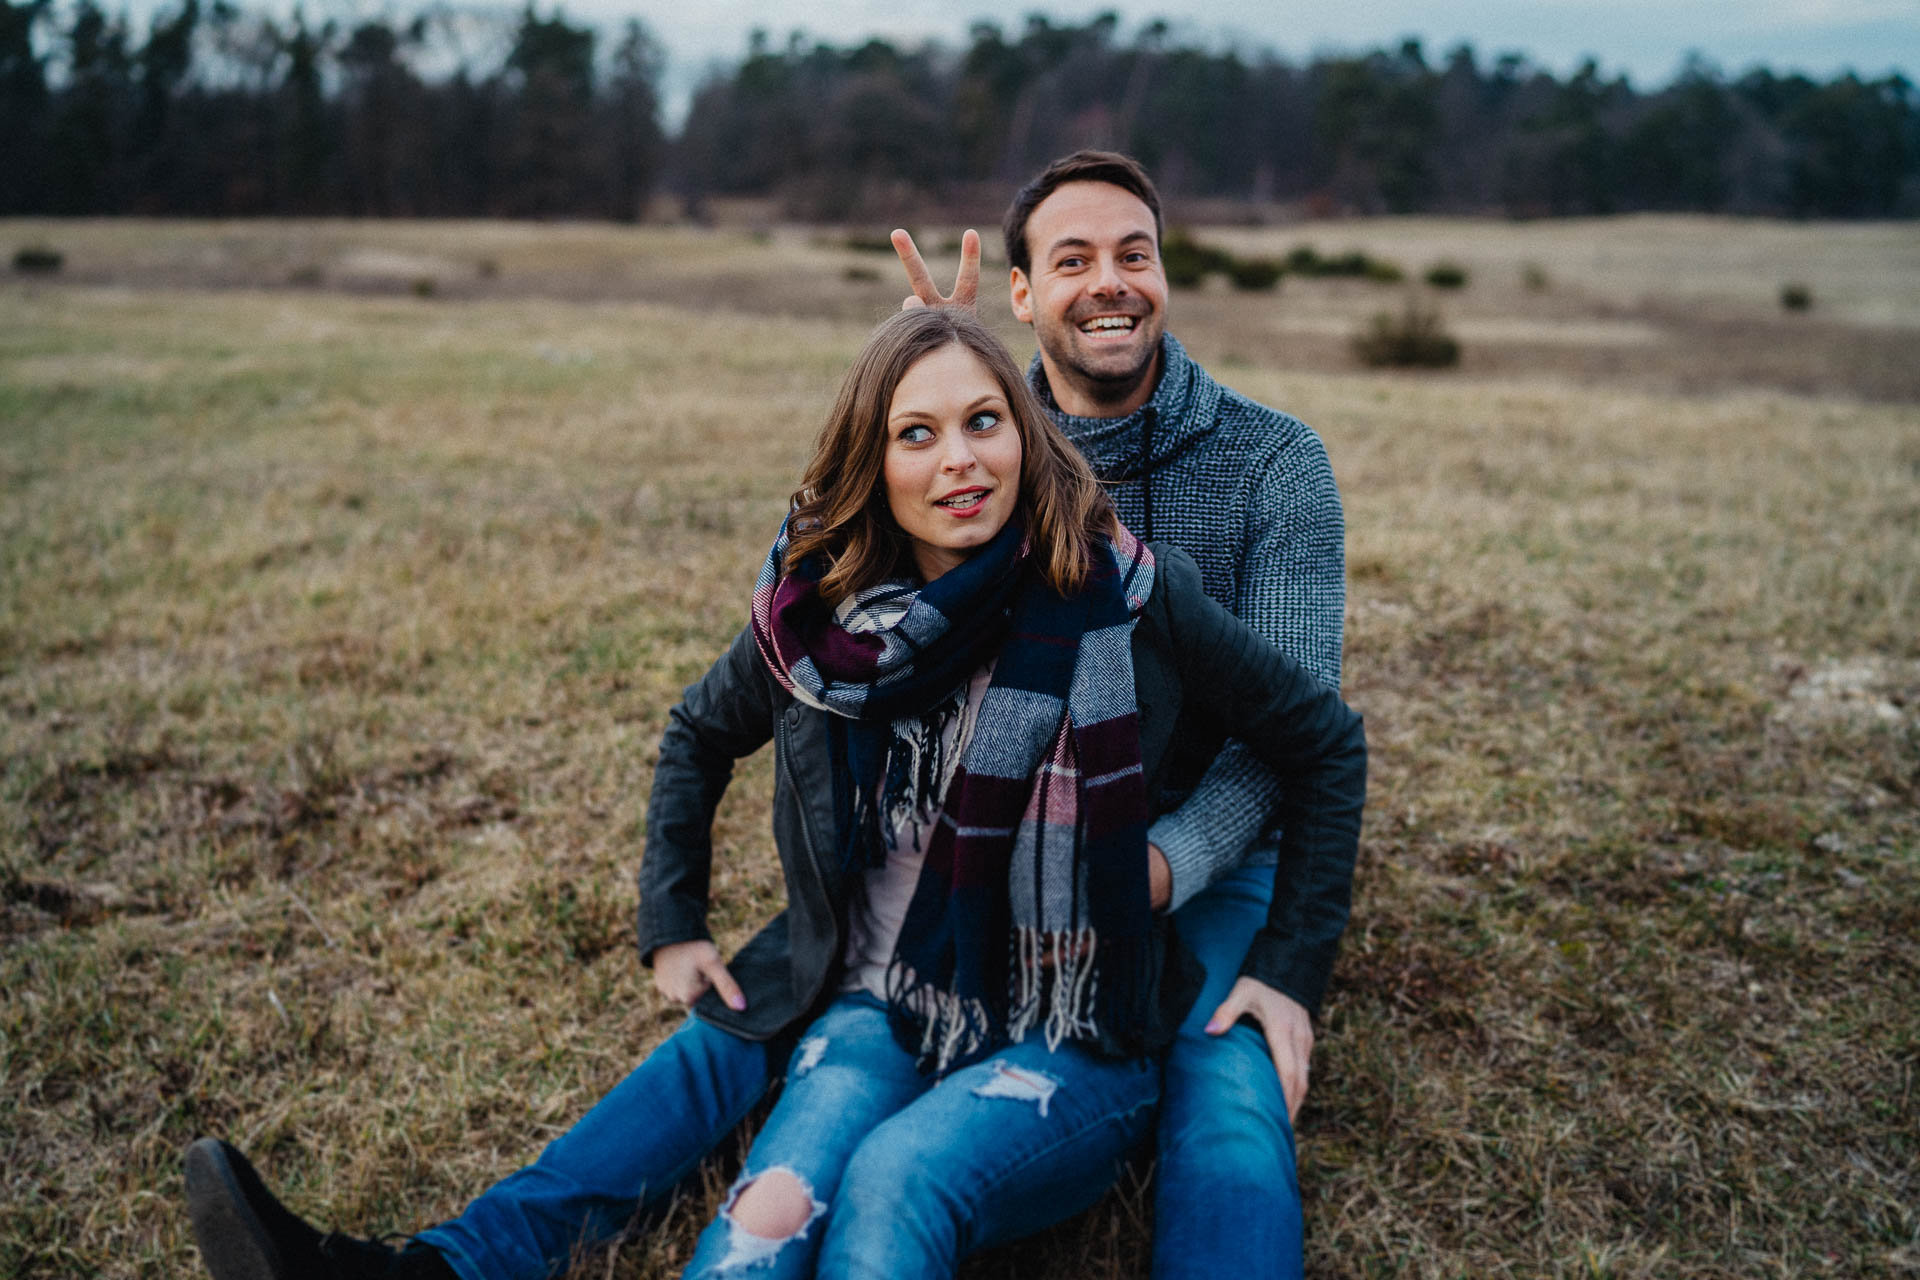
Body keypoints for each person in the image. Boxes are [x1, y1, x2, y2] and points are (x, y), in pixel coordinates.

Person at [184, 307, 1364, 1280]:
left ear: (1027, 433)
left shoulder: (1122, 595)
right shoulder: (825, 626)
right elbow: (698, 728)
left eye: (983, 421)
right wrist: (672, 920)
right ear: (875, 466)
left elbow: (1323, 741)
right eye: (917, 433)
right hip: (877, 996)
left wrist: (1289, 955)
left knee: (894, 1182)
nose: (959, 458)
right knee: (757, 1225)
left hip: (1066, 1018)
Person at [892, 150, 1348, 1280]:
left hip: (1210, 853)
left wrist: (1160, 867)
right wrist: (920, 373)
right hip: (1024, 843)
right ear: (1024, 294)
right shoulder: (988, 452)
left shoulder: (1276, 462)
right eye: (1075, 259)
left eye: (1133, 254)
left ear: (1163, 273)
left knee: (1231, 1112)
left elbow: (1294, 733)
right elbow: (838, 601)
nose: (1111, 282)